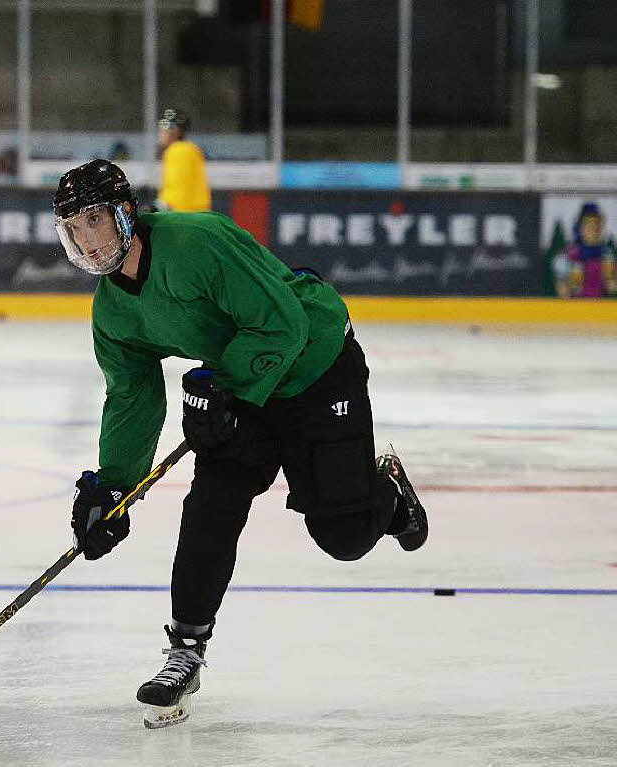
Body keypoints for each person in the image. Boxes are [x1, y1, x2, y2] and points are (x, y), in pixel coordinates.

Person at [53, 159, 428, 729]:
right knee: (211, 504)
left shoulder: (198, 242)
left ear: (125, 213)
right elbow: (132, 396)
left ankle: (390, 494)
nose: (85, 241)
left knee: (344, 537)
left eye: (94, 222)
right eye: (73, 228)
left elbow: (283, 324)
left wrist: (221, 386)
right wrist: (114, 487)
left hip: (313, 367)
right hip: (244, 388)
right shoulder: (112, 311)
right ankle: (185, 653)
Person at [155, 108, 210, 213]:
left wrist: (162, 205)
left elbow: (177, 187)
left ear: (176, 131)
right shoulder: (189, 149)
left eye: (165, 128)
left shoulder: (177, 151)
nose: (161, 133)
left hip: (184, 214)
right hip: (196, 213)